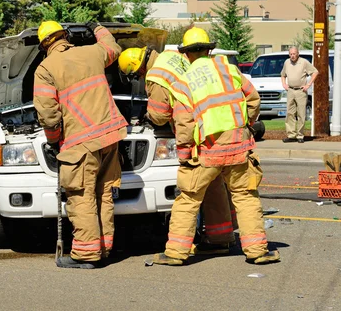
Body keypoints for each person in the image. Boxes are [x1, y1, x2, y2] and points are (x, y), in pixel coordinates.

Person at [152, 27, 280, 266]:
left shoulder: (183, 83)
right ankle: (257, 251)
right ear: (209, 50)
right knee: (245, 196)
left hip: (206, 150)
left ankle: (175, 254)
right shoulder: (229, 70)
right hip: (238, 146)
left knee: (188, 198)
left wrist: (184, 154)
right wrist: (246, 127)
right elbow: (253, 100)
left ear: (186, 54)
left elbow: (184, 124)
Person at [119, 44, 235, 254]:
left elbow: (161, 115)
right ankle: (221, 237)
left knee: (189, 191)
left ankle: (179, 248)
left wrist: (147, 116)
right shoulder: (170, 56)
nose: (140, 78)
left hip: (192, 130)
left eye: (137, 75)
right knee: (214, 182)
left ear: (139, 68)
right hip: (211, 121)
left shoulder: (155, 76)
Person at [33, 21, 127, 269]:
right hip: (109, 136)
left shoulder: (45, 69)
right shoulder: (92, 52)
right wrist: (96, 28)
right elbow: (112, 47)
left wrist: (54, 141)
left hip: (80, 143)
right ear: (65, 36)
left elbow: (48, 114)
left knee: (81, 196)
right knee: (104, 195)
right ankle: (104, 248)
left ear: (44, 45)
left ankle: (86, 253)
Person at [281, 46, 318, 143]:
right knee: (290, 113)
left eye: (294, 54)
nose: (292, 56)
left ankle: (300, 136)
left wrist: (308, 85)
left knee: (301, 113)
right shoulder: (287, 62)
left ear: (298, 53)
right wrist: (284, 84)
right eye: (291, 54)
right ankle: (291, 135)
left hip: (301, 91)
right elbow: (283, 74)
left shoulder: (304, 62)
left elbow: (315, 72)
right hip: (290, 90)